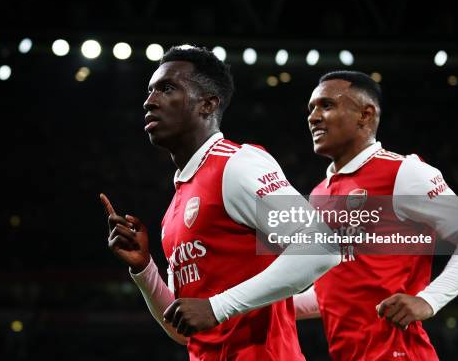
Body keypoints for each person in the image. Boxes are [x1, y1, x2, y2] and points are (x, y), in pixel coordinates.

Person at [100, 46, 339, 360]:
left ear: (207, 104)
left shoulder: (238, 164)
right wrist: (144, 269)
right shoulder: (173, 212)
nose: (149, 101)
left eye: (166, 88)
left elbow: (322, 247)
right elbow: (185, 329)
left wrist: (217, 306)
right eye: (150, 90)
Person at [293, 71, 458, 360]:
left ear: (365, 114)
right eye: (311, 108)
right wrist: (258, 304)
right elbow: (333, 293)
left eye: (327, 105)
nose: (313, 117)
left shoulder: (404, 173)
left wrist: (429, 299)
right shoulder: (319, 194)